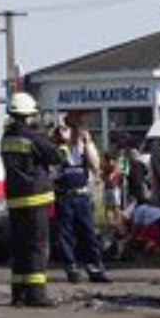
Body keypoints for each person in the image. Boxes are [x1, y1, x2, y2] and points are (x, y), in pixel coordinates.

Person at [0, 92, 63, 306]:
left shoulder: (7, 138)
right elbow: (56, 156)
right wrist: (58, 141)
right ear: (28, 115)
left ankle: (18, 294)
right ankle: (36, 295)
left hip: (14, 199)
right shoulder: (32, 137)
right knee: (37, 246)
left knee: (19, 247)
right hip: (35, 199)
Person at [52, 116, 110, 284]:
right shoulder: (57, 148)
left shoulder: (83, 147)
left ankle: (95, 268)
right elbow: (53, 170)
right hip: (64, 196)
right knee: (66, 235)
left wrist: (88, 143)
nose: (66, 132)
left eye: (68, 128)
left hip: (81, 196)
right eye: (63, 129)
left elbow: (96, 165)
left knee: (88, 233)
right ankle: (72, 268)